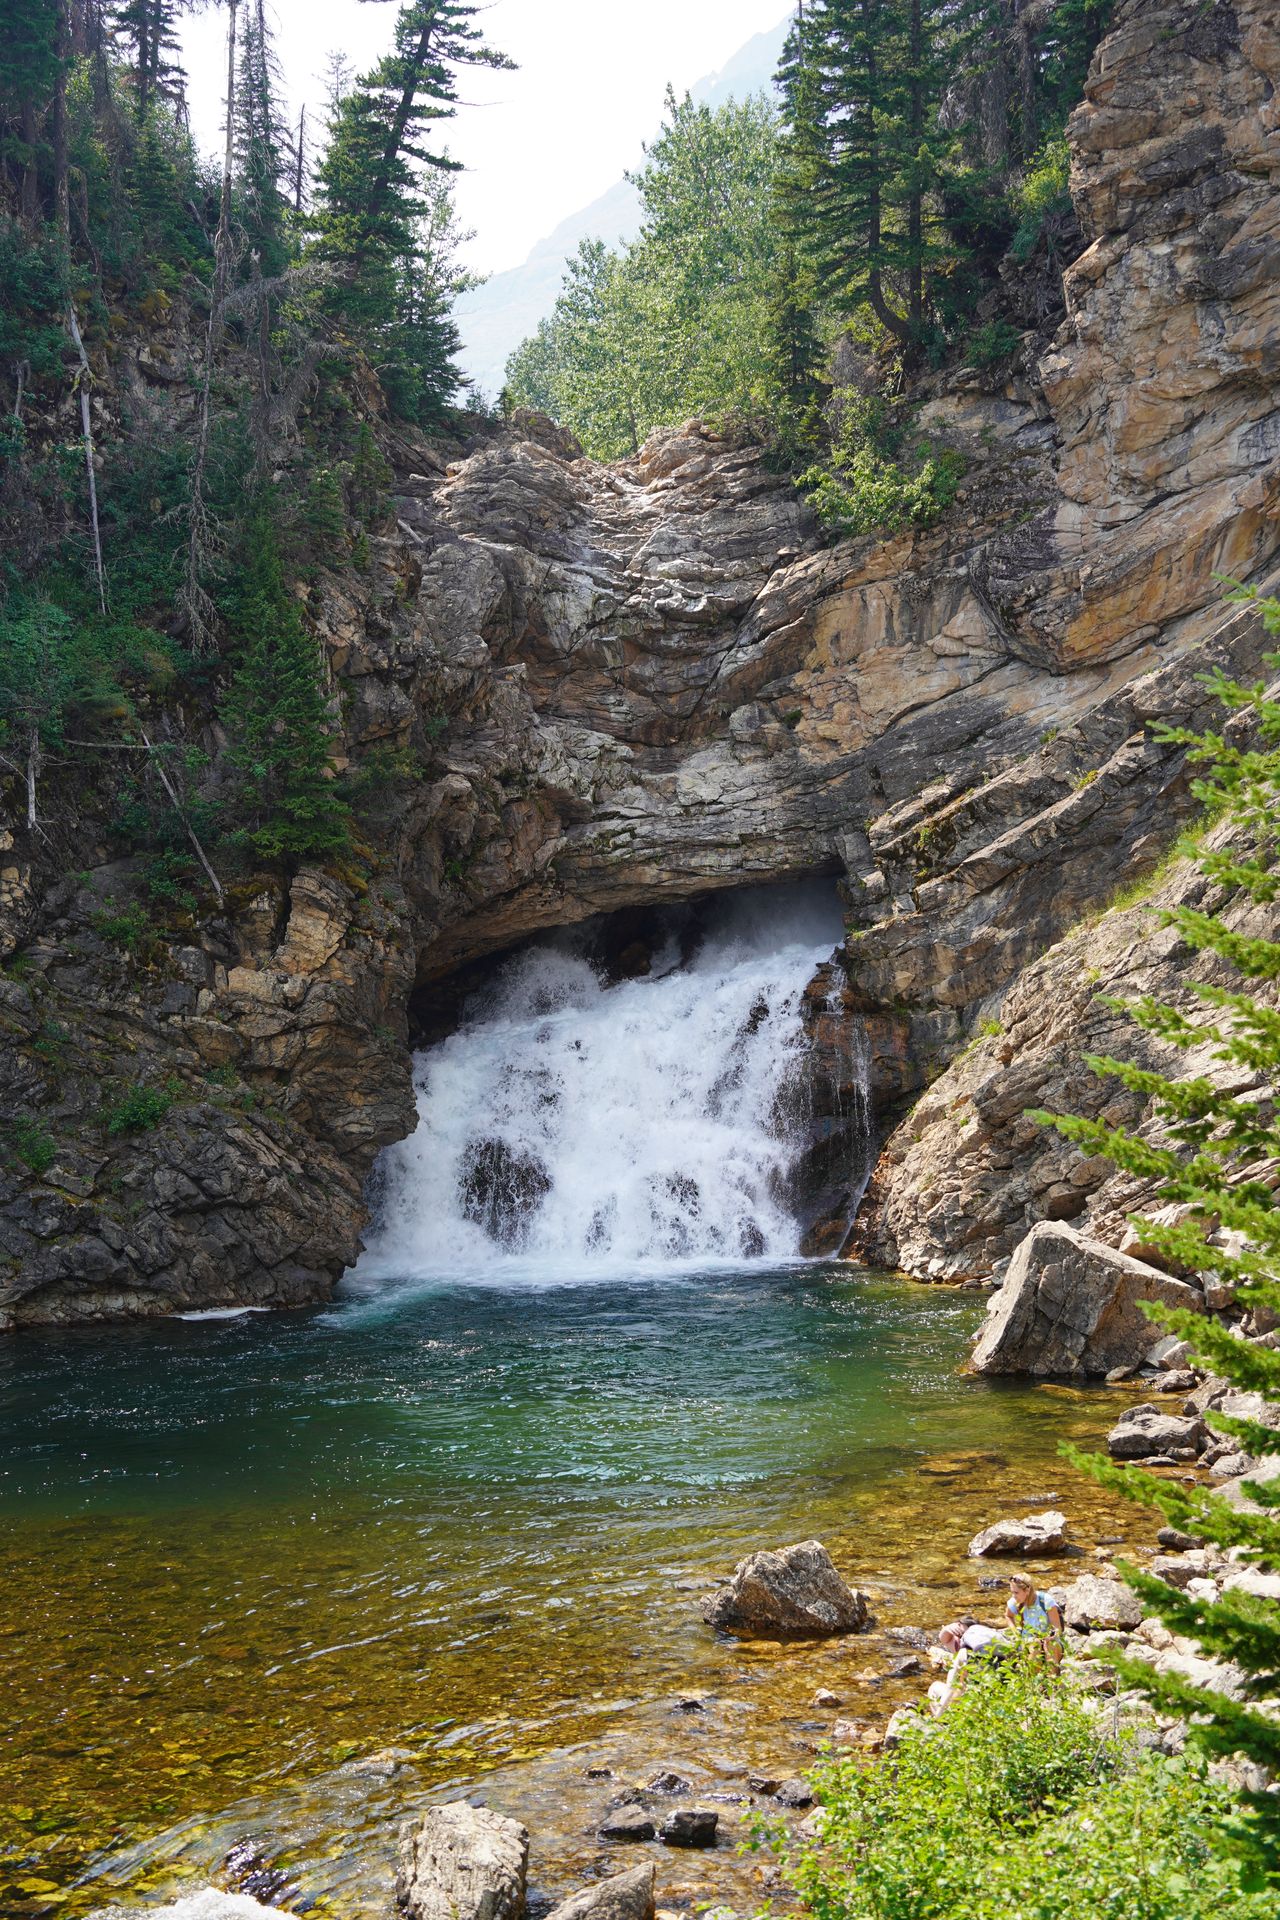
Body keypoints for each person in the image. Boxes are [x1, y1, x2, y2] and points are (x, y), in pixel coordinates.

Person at [930, 1615, 1009, 1714]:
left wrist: (949, 1628)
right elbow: (944, 1638)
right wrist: (947, 1629)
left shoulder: (964, 1651)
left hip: (972, 1703)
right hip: (985, 1704)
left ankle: (939, 1718)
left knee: (935, 1687)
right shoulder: (989, 1645)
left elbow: (951, 1687)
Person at [1006, 1574, 1064, 1669]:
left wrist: (1051, 1637)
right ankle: (1033, 1679)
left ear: (1027, 1590)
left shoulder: (1045, 1601)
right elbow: (1008, 1616)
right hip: (1029, 1641)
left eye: (1016, 1592)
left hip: (1049, 1641)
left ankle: (1052, 1679)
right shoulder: (1015, 1602)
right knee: (1035, 1645)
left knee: (1050, 1647)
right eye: (1012, 1592)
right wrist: (1015, 1633)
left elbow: (1058, 1629)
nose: (1013, 1596)